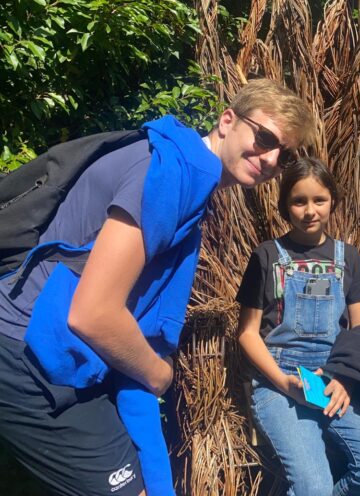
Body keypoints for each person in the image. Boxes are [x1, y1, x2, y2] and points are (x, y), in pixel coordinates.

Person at [0, 78, 314, 496]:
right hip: (27, 355)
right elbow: (93, 314)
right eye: (265, 138)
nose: (271, 158)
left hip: (51, 353)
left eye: (284, 155)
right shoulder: (175, 174)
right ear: (227, 121)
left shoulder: (175, 163)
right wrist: (159, 373)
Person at [236, 157, 360, 496]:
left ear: (332, 201)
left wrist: (345, 379)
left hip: (333, 378)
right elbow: (248, 333)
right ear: (285, 205)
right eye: (299, 201)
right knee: (313, 487)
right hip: (278, 381)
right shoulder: (266, 256)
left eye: (319, 200)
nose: (310, 211)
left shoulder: (347, 257)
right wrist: (283, 383)